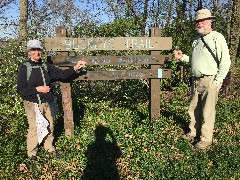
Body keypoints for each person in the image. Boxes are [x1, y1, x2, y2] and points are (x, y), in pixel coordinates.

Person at [17, 39, 86, 159]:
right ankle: (32, 153)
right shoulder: (24, 68)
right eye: (34, 50)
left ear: (42, 52)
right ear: (29, 52)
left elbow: (63, 75)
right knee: (34, 127)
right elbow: (21, 89)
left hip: (47, 102)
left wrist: (76, 68)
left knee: (50, 125)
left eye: (39, 50)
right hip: (32, 103)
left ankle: (49, 148)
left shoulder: (46, 66)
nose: (36, 52)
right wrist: (37, 89)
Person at [174, 9, 231, 150]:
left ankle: (205, 140)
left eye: (203, 20)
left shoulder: (217, 37)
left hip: (210, 80)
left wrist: (218, 80)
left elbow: (225, 62)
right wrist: (182, 58)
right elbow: (193, 60)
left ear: (210, 21)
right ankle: (193, 132)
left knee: (208, 111)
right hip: (196, 80)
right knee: (193, 109)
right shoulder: (196, 40)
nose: (200, 23)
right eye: (198, 21)